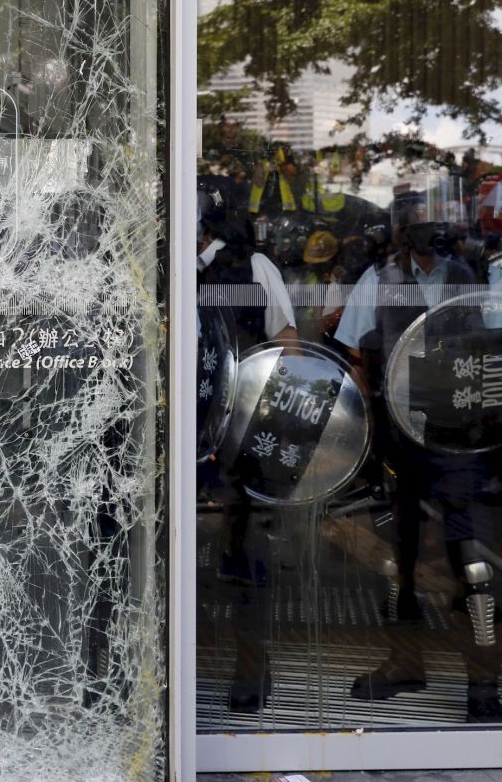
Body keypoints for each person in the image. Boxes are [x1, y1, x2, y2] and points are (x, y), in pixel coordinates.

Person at [333, 185, 502, 722]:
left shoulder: (479, 275)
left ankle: (485, 682)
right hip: (403, 436)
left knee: (472, 560)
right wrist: (379, 413)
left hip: (463, 437)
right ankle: (405, 662)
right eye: (419, 223)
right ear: (402, 231)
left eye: (439, 223)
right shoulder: (380, 280)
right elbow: (354, 349)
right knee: (401, 561)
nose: (430, 233)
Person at [197, 175, 298, 712]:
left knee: (245, 555)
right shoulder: (162, 262)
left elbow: (287, 344)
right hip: (174, 433)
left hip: (240, 434)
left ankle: (249, 672)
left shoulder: (255, 268)